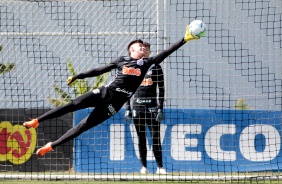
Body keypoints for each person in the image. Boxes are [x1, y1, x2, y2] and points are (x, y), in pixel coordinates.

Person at [23, 26, 199, 158]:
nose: (143, 48)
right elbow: (99, 70)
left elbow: (167, 52)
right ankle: (37, 121)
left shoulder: (147, 63)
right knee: (72, 105)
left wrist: (185, 39)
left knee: (83, 126)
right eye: (140, 47)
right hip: (105, 93)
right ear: (132, 50)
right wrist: (79, 76)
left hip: (115, 104)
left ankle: (51, 146)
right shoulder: (122, 60)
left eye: (144, 48)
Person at [124, 42, 166, 174]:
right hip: (138, 107)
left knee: (155, 137)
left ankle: (160, 167)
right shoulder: (132, 67)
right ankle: (144, 167)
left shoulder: (156, 68)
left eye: (147, 50)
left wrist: (160, 108)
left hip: (152, 108)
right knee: (141, 138)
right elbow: (126, 89)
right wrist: (127, 108)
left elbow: (161, 88)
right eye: (143, 49)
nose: (145, 52)